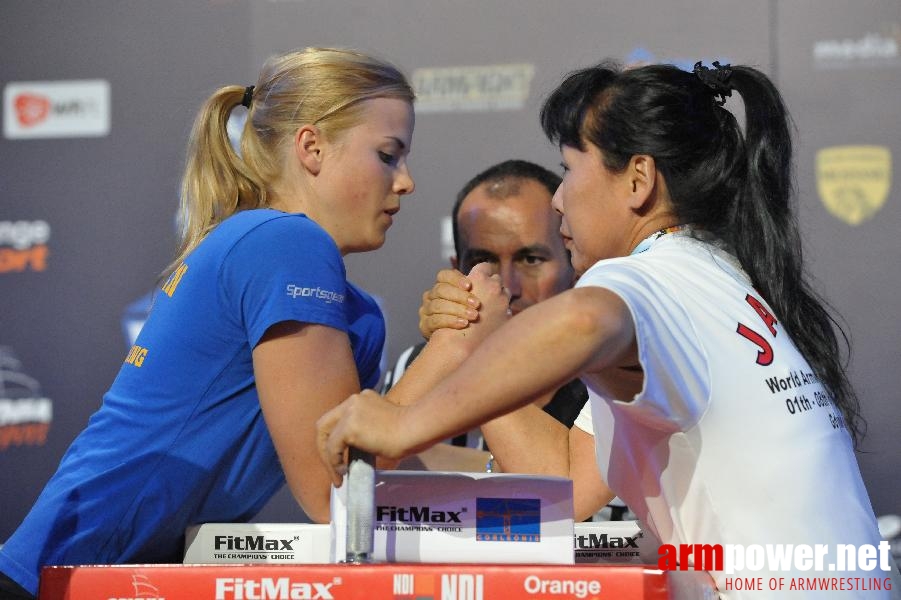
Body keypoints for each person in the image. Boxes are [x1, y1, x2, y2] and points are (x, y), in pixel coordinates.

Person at [318, 60, 891, 597]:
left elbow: (585, 318)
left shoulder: (651, 274)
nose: (560, 199)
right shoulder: (710, 273)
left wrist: (405, 423)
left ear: (638, 179)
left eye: (570, 170)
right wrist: (480, 345)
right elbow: (568, 479)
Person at [0, 47, 421, 599]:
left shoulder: (355, 311)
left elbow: (387, 462)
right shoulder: (286, 243)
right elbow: (335, 491)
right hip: (64, 579)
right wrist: (456, 346)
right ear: (312, 148)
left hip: (129, 581)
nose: (407, 181)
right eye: (388, 155)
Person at [383, 159, 587, 462]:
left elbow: (568, 492)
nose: (506, 286)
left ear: (574, 265)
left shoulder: (612, 376)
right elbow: (362, 486)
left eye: (530, 259)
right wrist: (450, 349)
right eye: (482, 261)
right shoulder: (418, 367)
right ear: (457, 271)